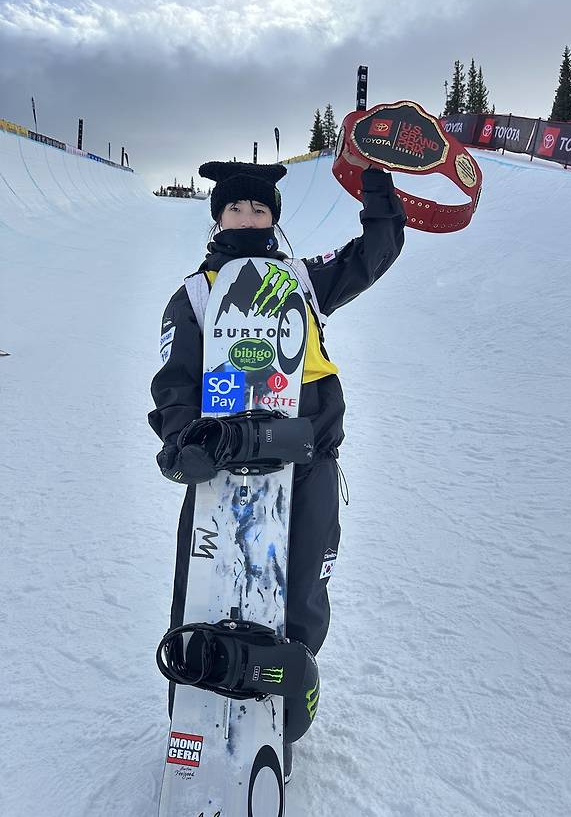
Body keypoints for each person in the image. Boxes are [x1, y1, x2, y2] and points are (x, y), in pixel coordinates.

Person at [148, 159, 406, 780]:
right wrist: (183, 439)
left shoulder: (302, 281)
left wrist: (376, 186)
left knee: (301, 586)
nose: (248, 218)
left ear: (274, 220)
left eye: (259, 210)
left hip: (310, 451)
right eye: (236, 209)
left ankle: (277, 704)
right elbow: (174, 380)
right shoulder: (194, 294)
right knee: (209, 583)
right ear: (217, 218)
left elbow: (375, 252)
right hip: (226, 459)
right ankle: (200, 698)